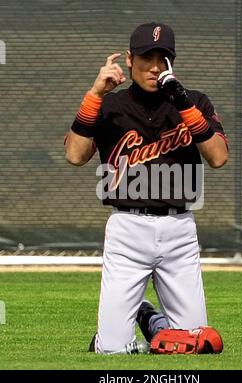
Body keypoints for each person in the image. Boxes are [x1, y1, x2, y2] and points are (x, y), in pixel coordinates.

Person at [65, 22, 228, 354]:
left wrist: (184, 104)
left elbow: (218, 157)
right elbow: (75, 155)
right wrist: (95, 94)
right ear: (129, 59)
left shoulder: (194, 102)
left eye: (162, 58)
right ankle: (132, 321)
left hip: (179, 230)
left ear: (171, 62)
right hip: (128, 229)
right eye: (145, 57)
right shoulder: (110, 106)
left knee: (194, 342)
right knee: (112, 350)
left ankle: (151, 320)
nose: (154, 66)